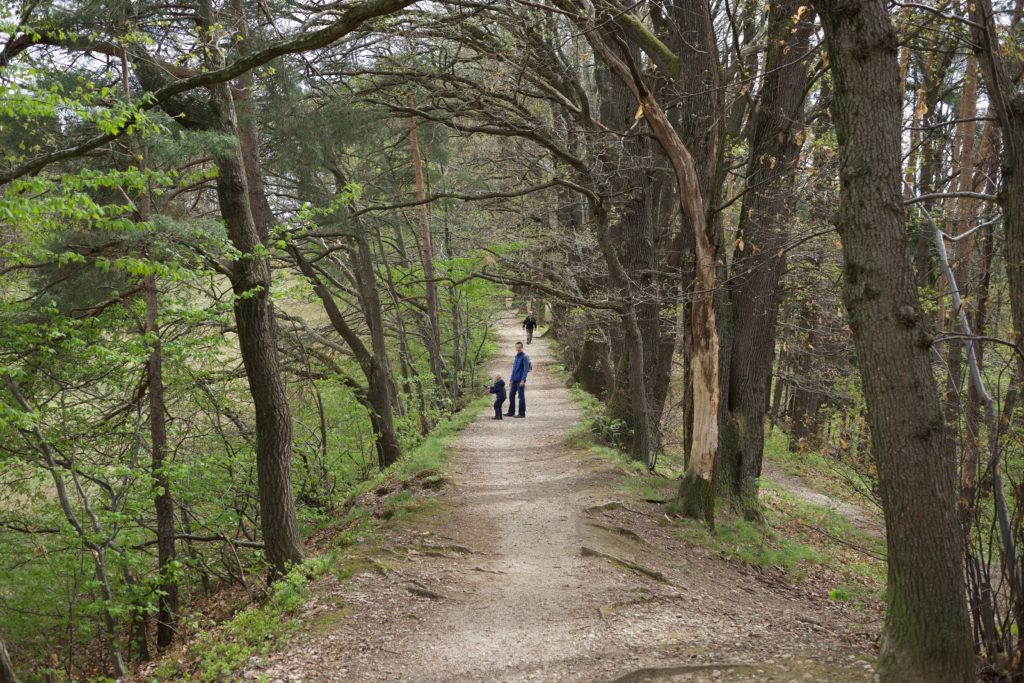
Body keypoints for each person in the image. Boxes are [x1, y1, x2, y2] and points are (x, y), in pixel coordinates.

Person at [505, 341, 530, 418]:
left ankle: (522, 413)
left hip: (520, 380)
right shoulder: (516, 356)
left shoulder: (525, 357)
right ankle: (511, 412)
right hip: (514, 380)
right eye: (517, 347)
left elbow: (526, 369)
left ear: (522, 347)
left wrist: (523, 380)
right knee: (511, 395)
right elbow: (514, 369)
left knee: (521, 396)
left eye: (519, 347)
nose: (518, 349)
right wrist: (511, 379)